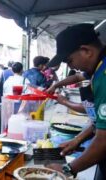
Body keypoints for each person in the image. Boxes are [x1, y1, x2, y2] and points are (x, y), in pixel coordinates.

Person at [45, 23, 106, 180]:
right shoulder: (98, 66)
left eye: (69, 60)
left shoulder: (104, 77)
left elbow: (104, 139)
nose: (71, 66)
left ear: (86, 51)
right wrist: (77, 140)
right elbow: (100, 123)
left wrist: (67, 169)